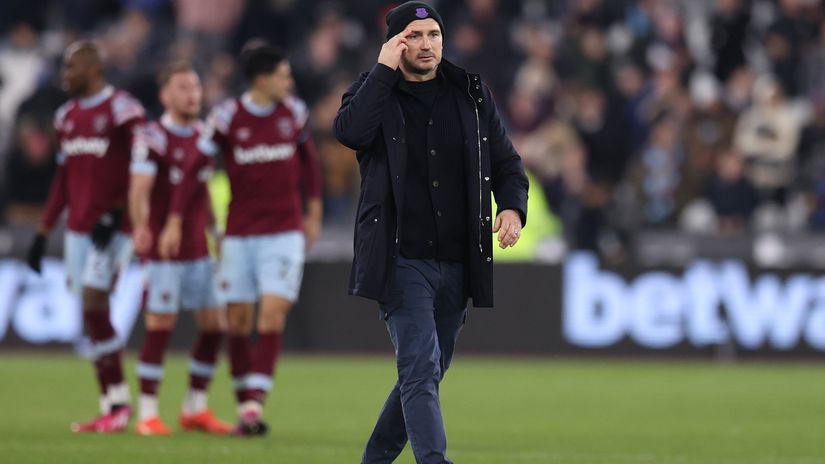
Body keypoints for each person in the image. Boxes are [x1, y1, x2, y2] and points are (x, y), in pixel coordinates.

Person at [333, 2, 529, 463]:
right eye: (414, 36)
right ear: (394, 43)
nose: (426, 44)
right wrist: (382, 72)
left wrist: (513, 209)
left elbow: (507, 164)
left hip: (460, 259)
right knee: (419, 367)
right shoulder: (373, 92)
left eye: (433, 35)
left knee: (427, 370)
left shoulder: (472, 93)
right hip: (400, 259)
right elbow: (349, 132)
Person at [166, 40, 322, 435]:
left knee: (271, 314)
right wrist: (174, 220)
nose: (290, 81)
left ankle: (253, 406)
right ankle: (244, 405)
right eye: (284, 75)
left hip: (284, 232)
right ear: (264, 79)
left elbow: (311, 166)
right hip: (238, 235)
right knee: (237, 322)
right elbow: (192, 169)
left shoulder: (295, 113)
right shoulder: (226, 118)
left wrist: (314, 213)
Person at [26, 40, 145, 433]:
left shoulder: (124, 111)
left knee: (95, 300)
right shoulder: (66, 116)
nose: (65, 75)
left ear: (93, 69)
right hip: (78, 229)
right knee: (90, 313)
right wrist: (43, 233)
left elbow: (141, 168)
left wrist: (118, 213)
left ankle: (119, 404)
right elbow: (63, 179)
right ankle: (113, 402)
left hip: (113, 227)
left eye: (70, 67)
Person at [128, 61, 232, 436]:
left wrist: (214, 230)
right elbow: (139, 189)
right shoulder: (152, 137)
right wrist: (141, 228)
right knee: (161, 325)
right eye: (183, 88)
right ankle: (148, 414)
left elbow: (201, 187)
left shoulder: (204, 136)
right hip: (162, 249)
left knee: (214, 326)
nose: (193, 94)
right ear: (165, 95)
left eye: (196, 87)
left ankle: (194, 407)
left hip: (197, 249)